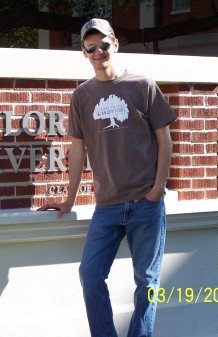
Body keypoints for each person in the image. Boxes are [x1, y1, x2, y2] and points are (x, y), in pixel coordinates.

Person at [39, 18, 177, 337]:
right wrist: (69, 200)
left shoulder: (142, 85)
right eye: (91, 47)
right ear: (84, 53)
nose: (98, 51)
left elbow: (165, 139)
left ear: (115, 44)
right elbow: (77, 150)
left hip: (146, 204)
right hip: (107, 207)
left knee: (148, 281)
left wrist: (157, 189)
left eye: (103, 45)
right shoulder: (82, 96)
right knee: (90, 275)